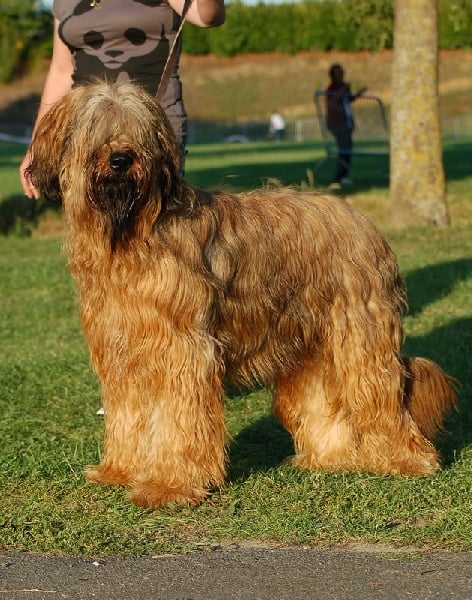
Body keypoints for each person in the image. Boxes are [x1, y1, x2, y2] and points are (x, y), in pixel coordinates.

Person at [20, 0, 226, 199]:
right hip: (86, 133)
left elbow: (209, 16)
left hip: (149, 129)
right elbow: (61, 71)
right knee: (90, 224)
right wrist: (37, 146)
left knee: (155, 223)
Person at [325, 63, 366, 188]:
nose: (341, 74)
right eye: (338, 72)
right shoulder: (332, 87)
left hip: (346, 122)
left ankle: (343, 176)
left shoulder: (344, 87)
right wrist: (344, 89)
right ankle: (339, 178)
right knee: (344, 149)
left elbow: (348, 100)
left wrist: (357, 94)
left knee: (347, 148)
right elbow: (332, 101)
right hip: (337, 123)